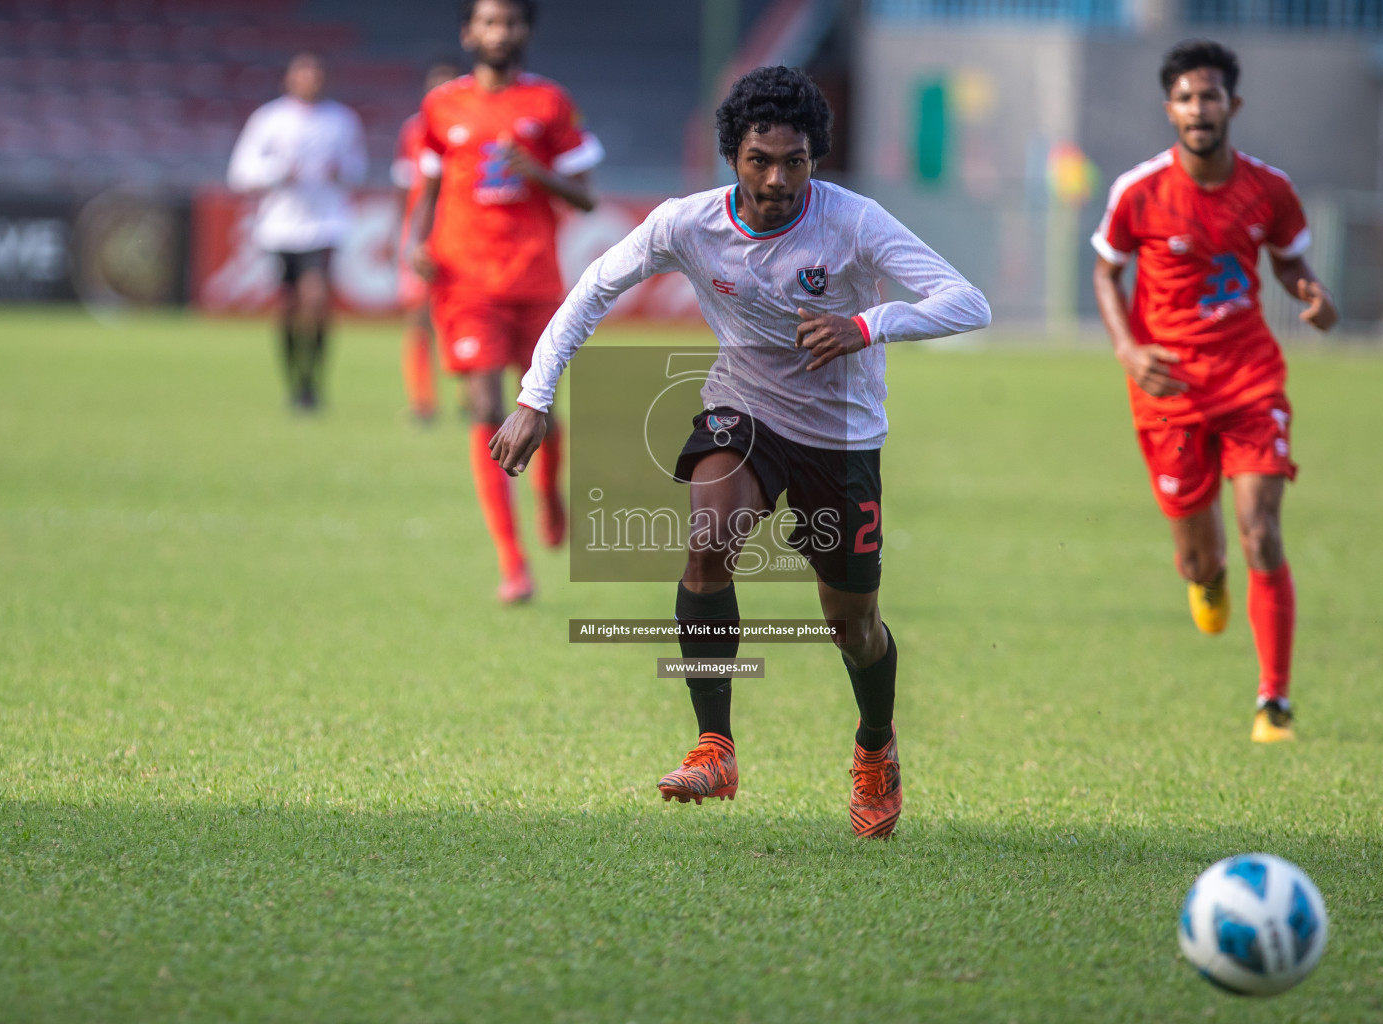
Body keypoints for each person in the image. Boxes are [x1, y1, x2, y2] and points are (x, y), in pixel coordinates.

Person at [489, 66, 991, 838]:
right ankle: (715, 746)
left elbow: (968, 301)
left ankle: (875, 747)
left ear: (814, 159)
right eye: (761, 159)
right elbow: (592, 288)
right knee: (708, 541)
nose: (779, 178)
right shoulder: (685, 224)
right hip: (743, 410)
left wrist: (865, 326)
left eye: (795, 161)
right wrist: (533, 395)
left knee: (851, 625)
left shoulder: (853, 222)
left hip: (842, 435)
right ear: (734, 157)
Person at [1090, 39, 1338, 743]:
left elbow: (1293, 265)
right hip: (1168, 390)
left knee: (1262, 528)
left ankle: (1274, 701)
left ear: (1234, 104)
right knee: (1201, 555)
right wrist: (1128, 349)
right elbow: (1107, 272)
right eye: (1187, 97)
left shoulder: (1269, 189)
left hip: (1252, 380)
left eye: (1211, 95)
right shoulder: (1138, 192)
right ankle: (1206, 573)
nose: (1200, 108)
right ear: (1170, 108)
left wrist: (1314, 298)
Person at [413, 0, 604, 603]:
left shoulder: (550, 104)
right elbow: (430, 184)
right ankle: (513, 564)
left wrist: (537, 172)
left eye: (511, 22)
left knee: (537, 407)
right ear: (470, 32)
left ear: (525, 32)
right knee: (485, 409)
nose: (500, 32)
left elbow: (587, 199)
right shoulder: (442, 106)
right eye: (489, 22)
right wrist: (417, 242)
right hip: (465, 284)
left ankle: (549, 492)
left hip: (535, 282)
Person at [228, 53, 368, 411]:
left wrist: (342, 171)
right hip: (279, 226)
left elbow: (358, 166)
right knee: (288, 308)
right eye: (304, 74)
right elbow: (241, 172)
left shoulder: (341, 120)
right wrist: (277, 172)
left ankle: (314, 382)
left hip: (324, 225)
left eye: (317, 74)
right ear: (289, 80)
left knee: (316, 300)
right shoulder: (270, 119)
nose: (311, 80)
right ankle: (296, 382)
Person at [392, 56, 462, 423]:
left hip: (465, 232)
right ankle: (422, 402)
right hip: (423, 231)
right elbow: (406, 187)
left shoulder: (476, 124)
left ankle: (471, 393)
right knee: (418, 317)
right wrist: (401, 234)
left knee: (465, 315)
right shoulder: (413, 130)